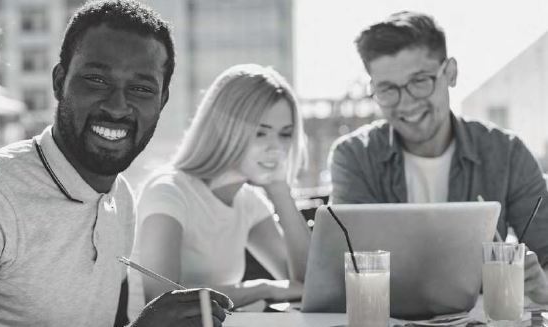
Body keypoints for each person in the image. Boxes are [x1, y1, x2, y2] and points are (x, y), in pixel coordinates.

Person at [0, 1, 232, 326]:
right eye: (97, 80)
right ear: (59, 81)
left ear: (162, 101)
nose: (117, 107)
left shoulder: (120, 198)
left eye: (140, 89)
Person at [329, 11, 548, 304]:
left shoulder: (507, 153)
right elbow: (346, 266)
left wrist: (542, 284)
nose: (406, 103)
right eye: (387, 89)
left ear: (450, 73)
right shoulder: (354, 156)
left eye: (420, 81)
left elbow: (545, 254)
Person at [127, 64, 311, 315]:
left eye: (285, 134)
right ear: (226, 129)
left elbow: (306, 284)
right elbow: (163, 301)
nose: (276, 147)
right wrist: (261, 289)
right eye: (260, 133)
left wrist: (280, 191)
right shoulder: (168, 191)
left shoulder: (248, 202)